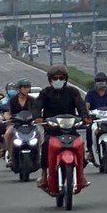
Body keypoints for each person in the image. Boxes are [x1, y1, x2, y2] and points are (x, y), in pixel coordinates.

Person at [35, 66, 93, 196]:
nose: (58, 80)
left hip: (70, 128)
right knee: (45, 146)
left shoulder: (73, 92)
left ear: (65, 79)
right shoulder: (45, 93)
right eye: (55, 78)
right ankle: (44, 175)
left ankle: (81, 176)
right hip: (52, 129)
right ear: (50, 80)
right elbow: (37, 106)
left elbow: (81, 105)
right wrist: (37, 117)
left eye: (61, 78)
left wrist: (85, 117)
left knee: (80, 144)